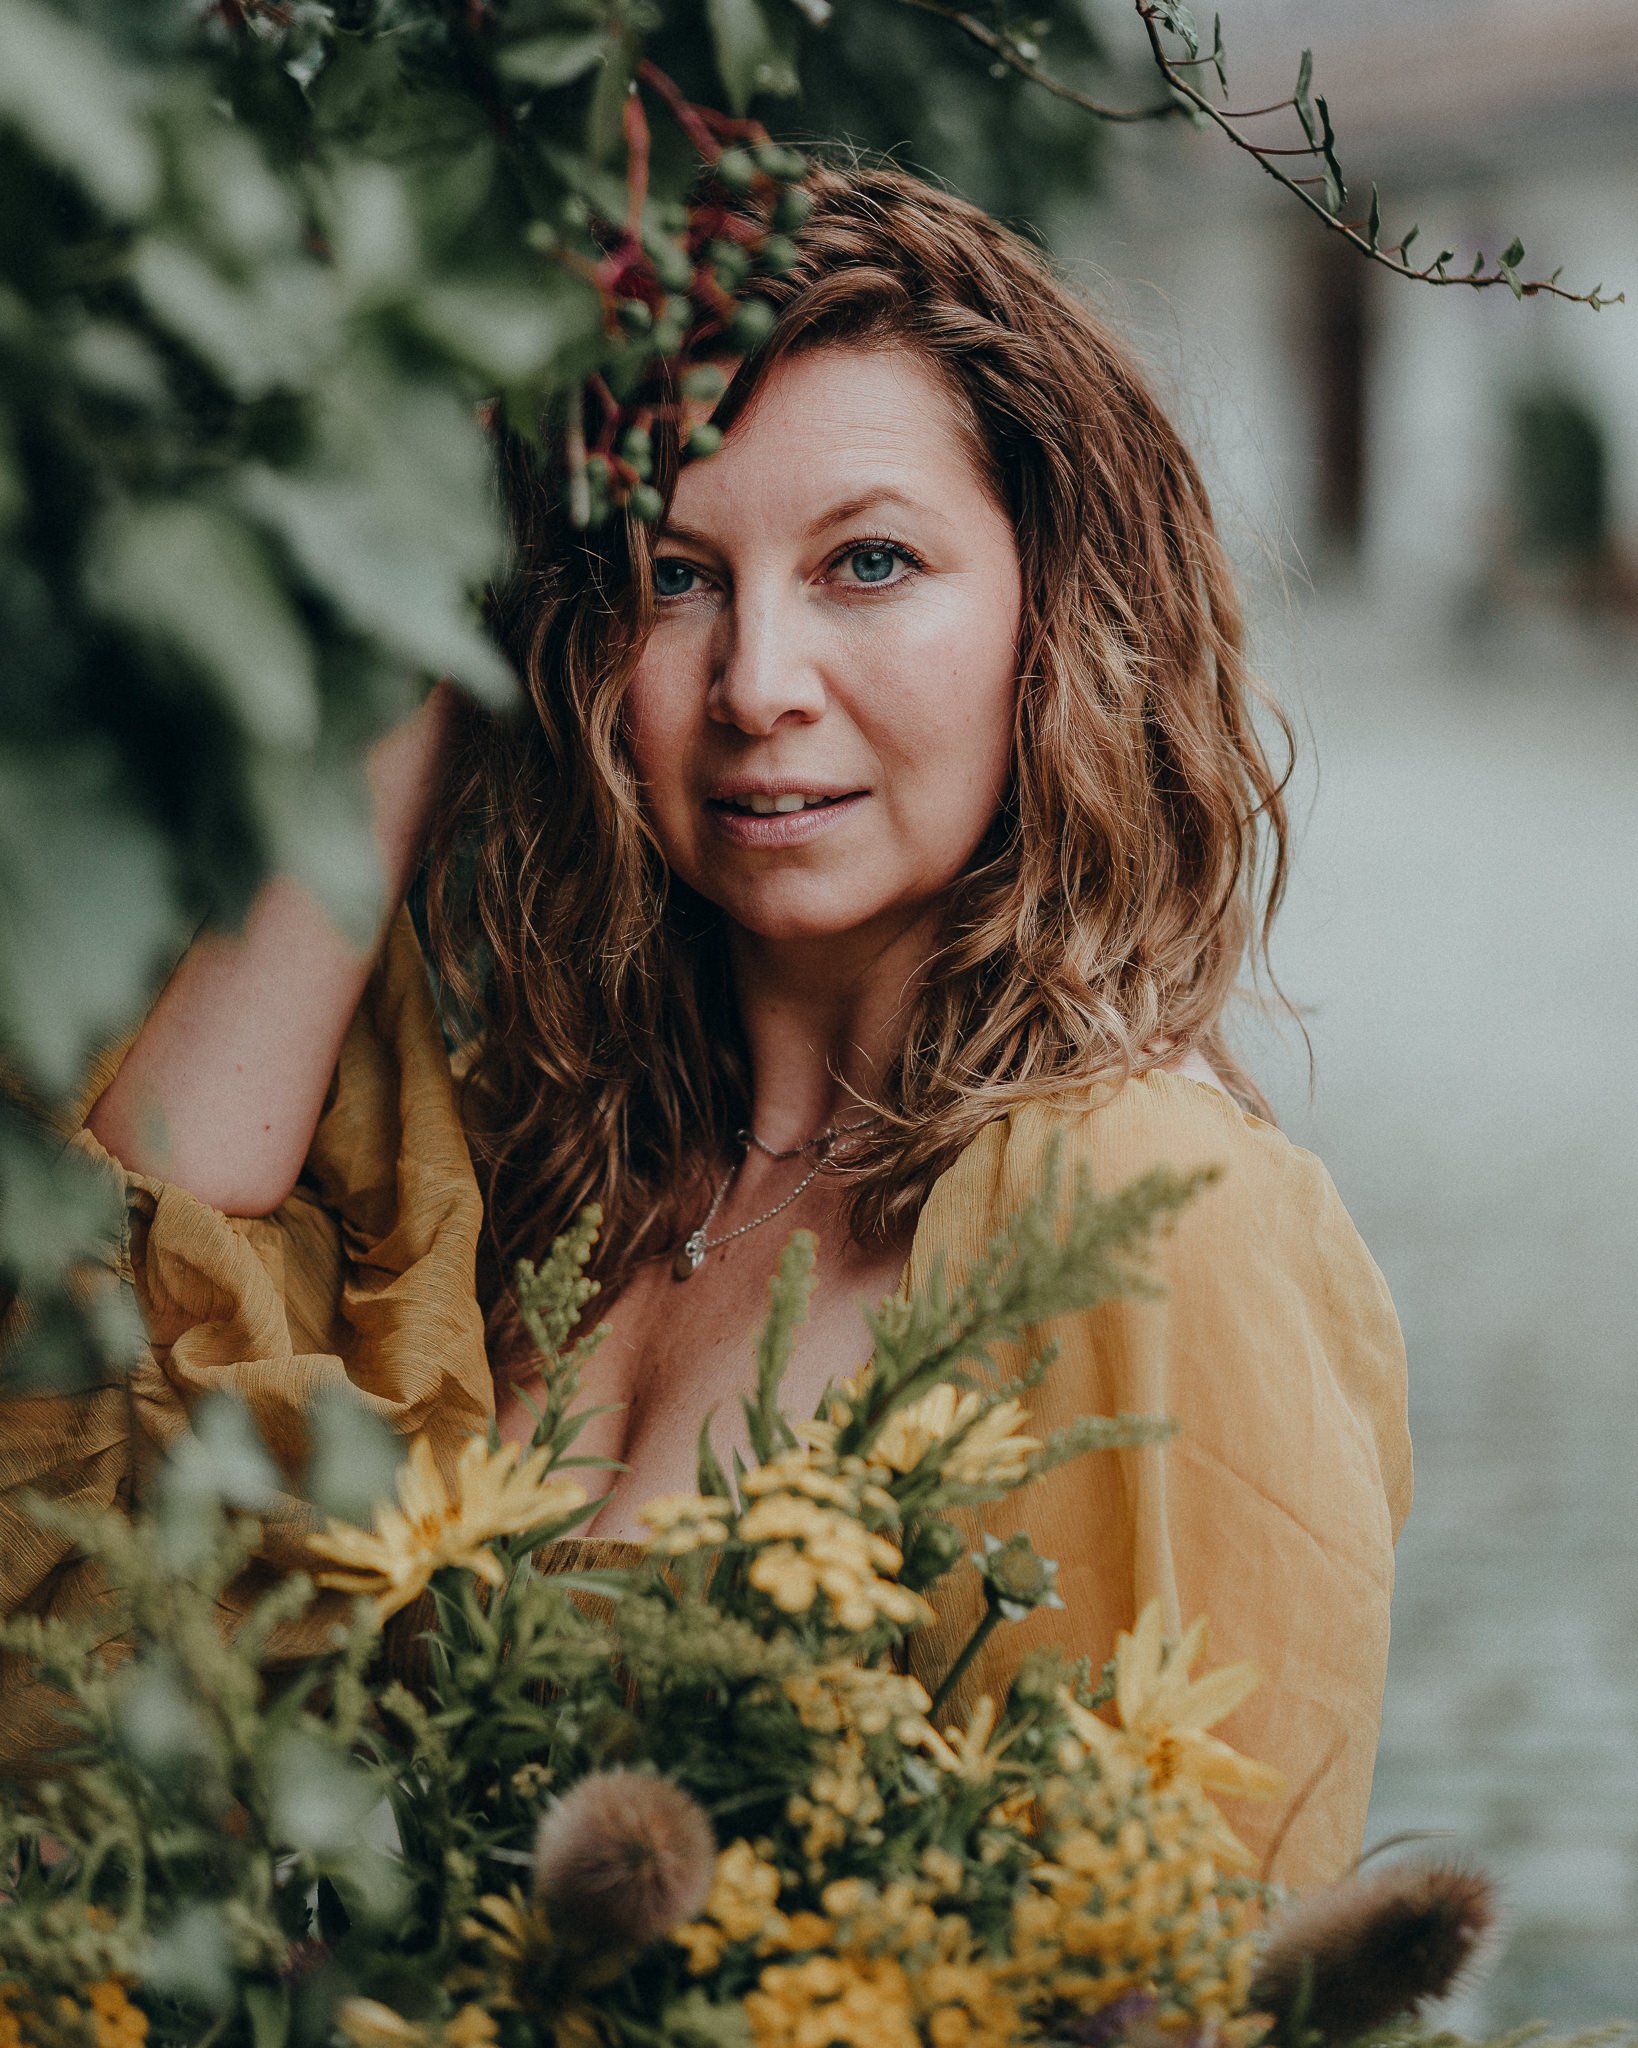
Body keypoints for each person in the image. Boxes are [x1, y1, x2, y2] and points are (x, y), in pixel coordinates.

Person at [1, 164, 1410, 1888]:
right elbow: (100, 1404)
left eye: (868, 564)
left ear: (1055, 610)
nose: (755, 684)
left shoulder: (1139, 1210)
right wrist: (412, 660)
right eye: (675, 578)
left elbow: (1168, 1955)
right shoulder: (555, 1177)